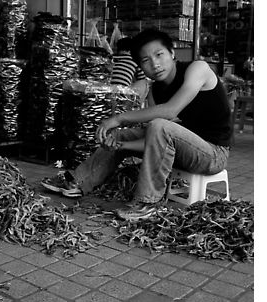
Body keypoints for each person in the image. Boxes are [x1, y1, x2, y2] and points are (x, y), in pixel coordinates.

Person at [41, 28, 232, 221]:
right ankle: (77, 182)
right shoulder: (155, 90)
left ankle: (149, 203)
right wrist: (121, 146)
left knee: (158, 125)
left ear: (172, 53)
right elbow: (158, 141)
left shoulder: (197, 69)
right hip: (182, 151)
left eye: (159, 55)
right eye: (146, 61)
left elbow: (169, 112)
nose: (155, 64)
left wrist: (119, 118)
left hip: (213, 154)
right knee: (120, 135)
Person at [111, 36, 149, 102]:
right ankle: (136, 105)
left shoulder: (111, 57)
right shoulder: (134, 60)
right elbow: (141, 78)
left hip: (105, 91)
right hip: (121, 94)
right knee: (145, 82)